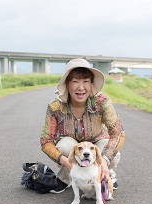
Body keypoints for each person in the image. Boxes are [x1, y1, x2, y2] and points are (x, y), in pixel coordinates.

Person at [40, 58, 125, 193]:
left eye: (85, 81)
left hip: (97, 142)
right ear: (67, 84)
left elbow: (118, 133)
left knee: (110, 151)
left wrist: (103, 160)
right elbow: (45, 141)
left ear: (91, 84)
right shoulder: (55, 107)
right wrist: (64, 161)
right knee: (64, 145)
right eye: (75, 81)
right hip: (73, 147)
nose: (81, 87)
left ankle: (106, 174)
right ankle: (65, 178)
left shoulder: (101, 101)